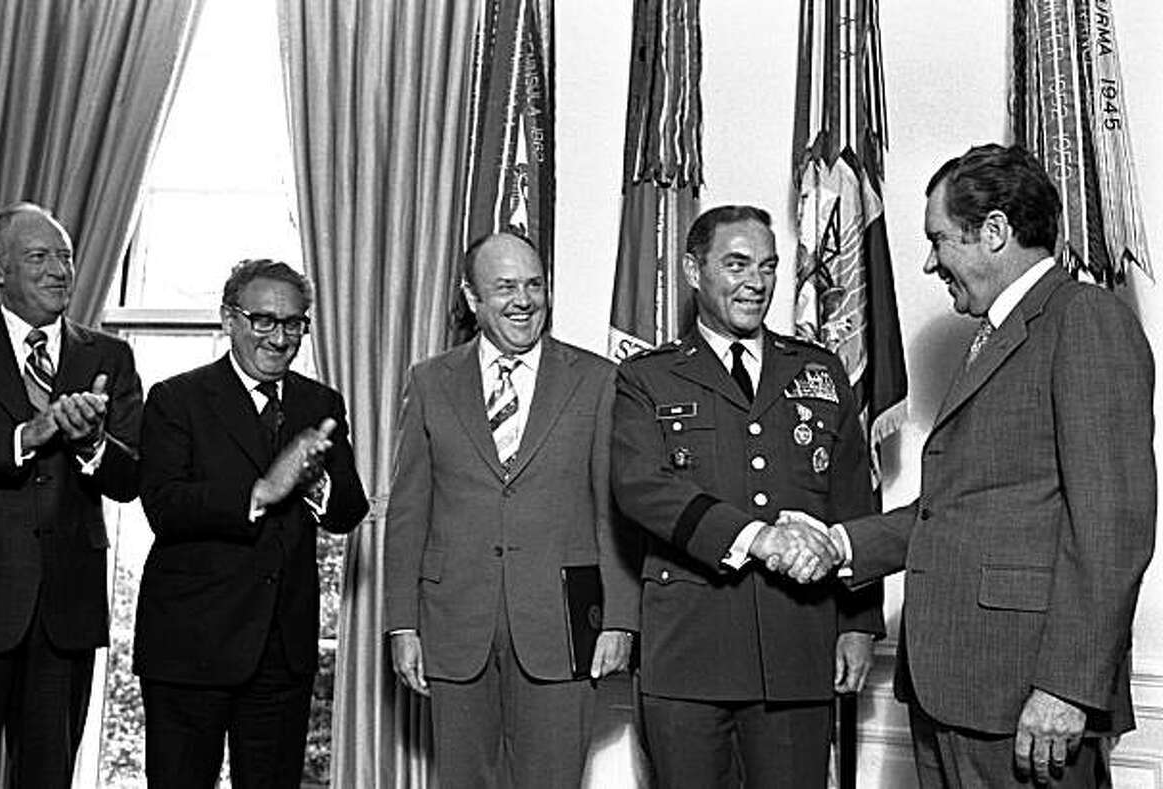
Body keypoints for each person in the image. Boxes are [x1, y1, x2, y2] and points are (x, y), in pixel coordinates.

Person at [777, 144, 1156, 787]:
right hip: (953, 692)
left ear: (996, 232)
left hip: (1027, 703)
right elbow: (955, 508)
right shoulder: (995, 337)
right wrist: (841, 541)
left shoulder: (1085, 321)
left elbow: (1113, 526)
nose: (930, 262)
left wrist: (1067, 687)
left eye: (939, 240)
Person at [609, 204, 884, 788]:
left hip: (798, 647)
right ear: (692, 270)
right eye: (736, 265)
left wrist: (858, 622)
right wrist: (755, 538)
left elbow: (854, 500)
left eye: (767, 266)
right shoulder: (647, 378)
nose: (755, 282)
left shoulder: (820, 370)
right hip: (690, 654)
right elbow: (643, 488)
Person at [383, 231, 639, 788]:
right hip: (453, 625)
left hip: (562, 627)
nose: (523, 300)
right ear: (472, 299)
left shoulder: (598, 380)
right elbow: (408, 514)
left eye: (534, 285)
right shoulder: (430, 381)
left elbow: (613, 511)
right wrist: (402, 623)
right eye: (504, 287)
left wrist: (620, 618)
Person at [133, 259, 369, 787]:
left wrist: (314, 482)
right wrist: (263, 491)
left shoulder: (320, 402)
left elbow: (349, 511)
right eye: (263, 320)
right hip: (190, 648)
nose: (279, 337)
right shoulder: (177, 398)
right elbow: (165, 507)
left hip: (281, 653)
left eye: (293, 323)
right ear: (228, 320)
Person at [0, 202, 143, 787]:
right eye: (38, 257)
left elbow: (133, 477)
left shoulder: (109, 358)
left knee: (47, 774)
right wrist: (29, 434)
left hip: (66, 609)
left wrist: (93, 443)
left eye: (64, 256)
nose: (59, 270)